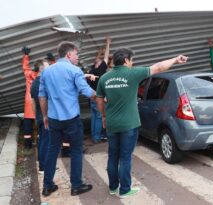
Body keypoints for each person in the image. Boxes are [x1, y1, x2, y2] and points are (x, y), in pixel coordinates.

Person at [96, 48, 188, 198]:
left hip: (112, 124)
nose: (132, 63)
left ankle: (113, 187)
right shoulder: (133, 74)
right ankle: (125, 190)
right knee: (125, 157)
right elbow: (158, 67)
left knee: (113, 156)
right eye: (131, 60)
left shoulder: (104, 78)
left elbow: (99, 99)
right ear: (126, 60)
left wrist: (104, 116)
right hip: (129, 124)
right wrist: (175, 59)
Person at [39, 41, 96, 197]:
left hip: (53, 119)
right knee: (76, 150)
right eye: (77, 55)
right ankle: (76, 185)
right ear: (69, 54)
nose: (78, 58)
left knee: (52, 150)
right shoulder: (74, 70)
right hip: (71, 119)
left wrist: (45, 116)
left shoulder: (46, 72)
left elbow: (42, 97)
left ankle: (47, 186)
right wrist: (101, 97)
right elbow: (85, 90)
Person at [87, 37, 111, 144]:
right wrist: (108, 44)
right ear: (100, 65)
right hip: (98, 98)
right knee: (98, 118)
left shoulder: (92, 70)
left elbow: (97, 60)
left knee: (94, 118)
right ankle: (96, 138)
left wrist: (98, 53)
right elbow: (105, 58)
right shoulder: (100, 70)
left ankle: (94, 136)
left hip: (91, 98)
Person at [30, 59, 50, 174]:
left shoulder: (34, 83)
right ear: (41, 68)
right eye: (47, 66)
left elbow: (32, 102)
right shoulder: (42, 82)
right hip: (45, 116)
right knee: (45, 142)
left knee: (43, 140)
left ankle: (43, 165)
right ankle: (43, 167)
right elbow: (45, 100)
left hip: (39, 116)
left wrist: (36, 117)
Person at [21, 46, 39, 149]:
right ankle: (40, 141)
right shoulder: (42, 77)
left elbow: (25, 67)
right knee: (40, 122)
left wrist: (26, 55)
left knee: (27, 123)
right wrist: (53, 61)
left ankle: (27, 144)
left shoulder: (29, 74)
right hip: (38, 103)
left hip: (28, 103)